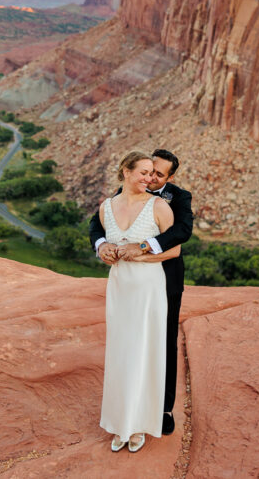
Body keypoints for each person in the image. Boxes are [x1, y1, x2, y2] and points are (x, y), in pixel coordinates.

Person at [90, 149, 193, 439]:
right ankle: (128, 410)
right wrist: (100, 245)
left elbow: (182, 233)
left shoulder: (177, 198)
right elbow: (97, 224)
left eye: (158, 174)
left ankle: (162, 409)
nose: (152, 177)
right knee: (128, 344)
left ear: (169, 177)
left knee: (163, 341)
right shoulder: (125, 192)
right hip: (125, 282)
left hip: (164, 278)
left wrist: (142, 248)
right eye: (148, 171)